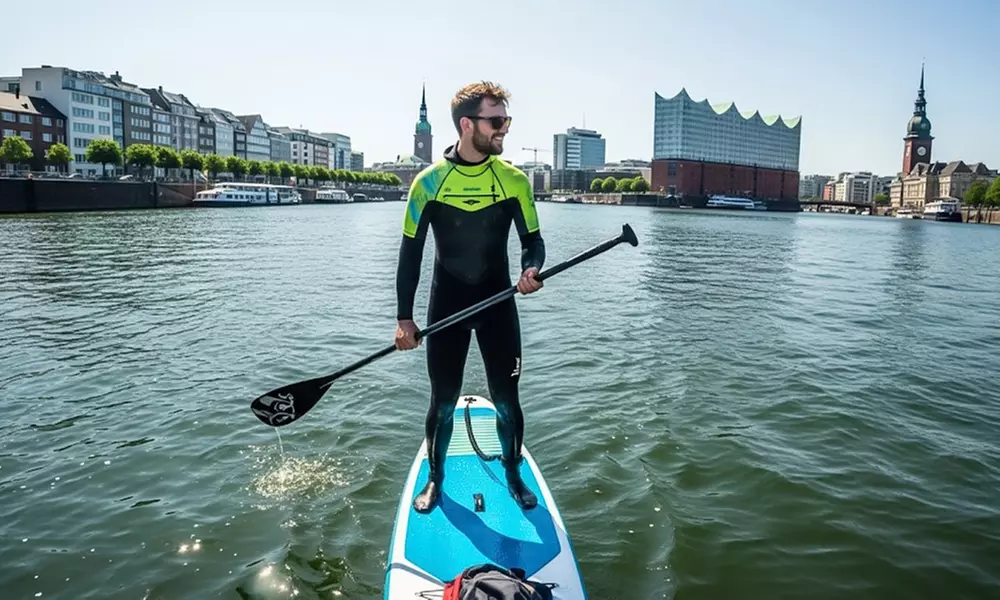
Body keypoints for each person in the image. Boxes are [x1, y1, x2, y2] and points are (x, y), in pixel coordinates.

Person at [394, 81, 545, 514]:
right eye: (496, 121)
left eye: (506, 121)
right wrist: (404, 318)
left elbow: (533, 242)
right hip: (447, 308)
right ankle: (436, 480)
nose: (504, 130)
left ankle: (513, 474)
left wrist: (530, 269)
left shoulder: (514, 181)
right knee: (441, 402)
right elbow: (410, 257)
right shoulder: (427, 184)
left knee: (506, 400)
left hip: (499, 305)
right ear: (467, 125)